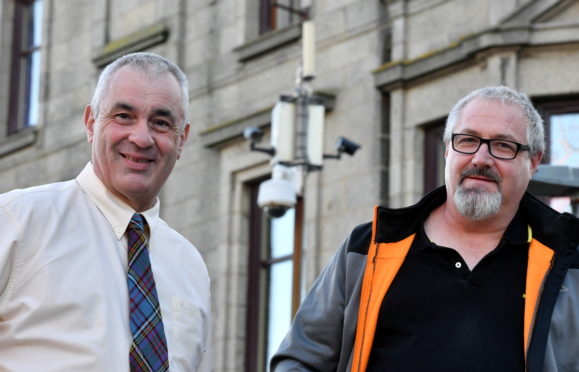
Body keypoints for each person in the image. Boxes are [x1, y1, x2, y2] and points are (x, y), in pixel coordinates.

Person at [271, 86, 579, 372]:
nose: (481, 158)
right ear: (448, 150)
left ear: (534, 161)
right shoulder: (367, 249)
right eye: (467, 140)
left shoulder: (569, 263)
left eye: (503, 145)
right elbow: (300, 360)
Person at [0, 52, 211, 371]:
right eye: (124, 116)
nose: (141, 138)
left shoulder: (190, 266)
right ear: (91, 123)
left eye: (161, 123)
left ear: (181, 141)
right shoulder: (17, 221)